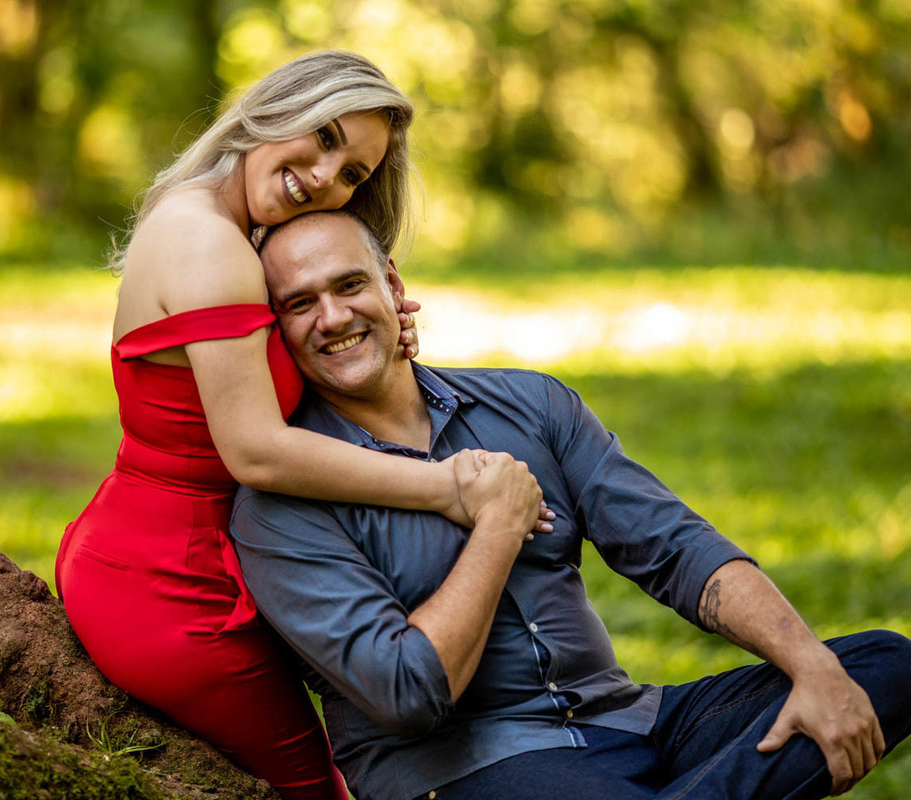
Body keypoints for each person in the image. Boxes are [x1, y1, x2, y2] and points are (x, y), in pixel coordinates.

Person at [229, 210, 911, 800]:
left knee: (884, 666)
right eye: (299, 303)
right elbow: (408, 692)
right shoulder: (281, 500)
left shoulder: (531, 406)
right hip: (467, 769)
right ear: (276, 329)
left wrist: (810, 667)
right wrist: (498, 529)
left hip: (632, 725)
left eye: (349, 284)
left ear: (392, 285)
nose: (332, 316)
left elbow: (674, 547)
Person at [54, 52, 547, 800]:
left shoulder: (214, 217)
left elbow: (257, 374)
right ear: (274, 107)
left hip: (180, 558)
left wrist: (368, 330)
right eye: (323, 137)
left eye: (353, 173)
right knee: (316, 791)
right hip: (170, 587)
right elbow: (255, 449)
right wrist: (447, 486)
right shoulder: (207, 242)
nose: (326, 177)